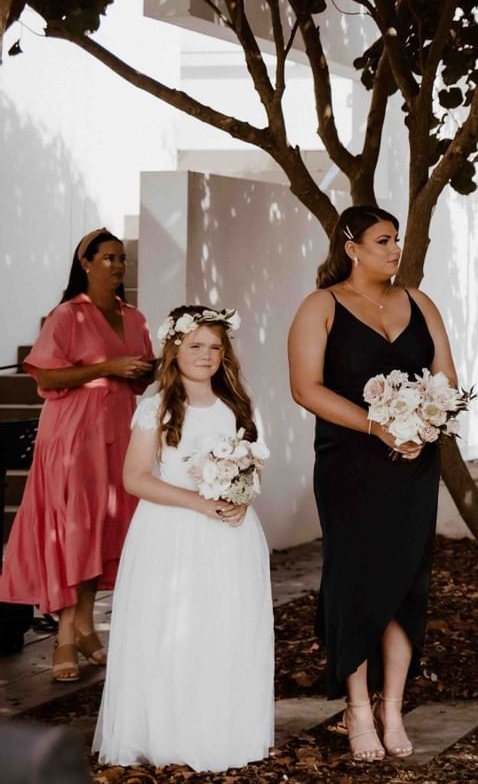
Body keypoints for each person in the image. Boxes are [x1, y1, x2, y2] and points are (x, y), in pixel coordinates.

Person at [287, 206, 461, 762]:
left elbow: (446, 379)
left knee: (407, 582)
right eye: (383, 241)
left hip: (413, 463)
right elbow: (305, 388)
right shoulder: (321, 306)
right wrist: (376, 424)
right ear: (351, 247)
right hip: (350, 467)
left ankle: (393, 707)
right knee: (358, 580)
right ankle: (358, 707)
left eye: (397, 240)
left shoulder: (420, 303)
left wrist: (424, 425)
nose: (394, 250)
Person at [95, 306, 274, 771]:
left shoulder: (239, 405)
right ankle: (171, 735)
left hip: (230, 536)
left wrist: (242, 497)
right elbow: (134, 478)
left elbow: (252, 468)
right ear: (173, 349)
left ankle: (224, 732)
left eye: (215, 347)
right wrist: (198, 502)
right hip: (171, 534)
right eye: (195, 345)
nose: (206, 355)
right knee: (174, 630)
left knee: (226, 628)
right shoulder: (157, 408)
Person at [0, 229, 153, 683]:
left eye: (121, 258)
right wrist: (108, 367)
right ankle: (66, 634)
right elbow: (46, 377)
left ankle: (87, 626)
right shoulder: (67, 315)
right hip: (72, 434)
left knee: (104, 526)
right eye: (108, 257)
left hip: (120, 429)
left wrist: (149, 370)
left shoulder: (135, 317)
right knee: (74, 526)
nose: (118, 265)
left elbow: (139, 377)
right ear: (85, 263)